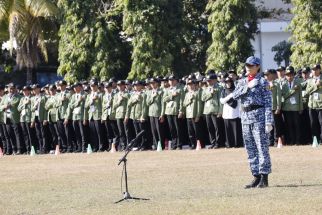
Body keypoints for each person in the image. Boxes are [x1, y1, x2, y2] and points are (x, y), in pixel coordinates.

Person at [220, 56, 273, 188]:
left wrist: (269, 121)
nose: (248, 68)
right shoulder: (242, 82)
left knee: (261, 148)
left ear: (257, 67)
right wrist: (248, 86)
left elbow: (268, 102)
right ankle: (256, 176)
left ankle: (264, 177)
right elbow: (236, 95)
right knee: (250, 149)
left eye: (251, 66)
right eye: (247, 66)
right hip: (245, 118)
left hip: (259, 117)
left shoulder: (262, 82)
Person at [281, 66, 303, 145]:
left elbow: (300, 97)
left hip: (296, 107)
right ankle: (291, 140)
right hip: (287, 108)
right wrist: (293, 90)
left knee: (297, 124)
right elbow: (284, 96)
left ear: (293, 75)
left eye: (291, 74)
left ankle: (297, 140)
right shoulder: (283, 84)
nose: (289, 76)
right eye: (287, 75)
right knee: (289, 125)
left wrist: (301, 108)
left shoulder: (298, 83)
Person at [201, 74, 223, 149]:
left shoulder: (219, 88)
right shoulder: (206, 89)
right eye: (207, 81)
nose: (208, 82)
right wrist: (210, 94)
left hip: (215, 110)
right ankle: (213, 142)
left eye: (210, 80)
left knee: (217, 127)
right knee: (210, 128)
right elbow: (203, 98)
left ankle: (218, 143)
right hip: (207, 110)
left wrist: (220, 111)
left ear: (215, 80)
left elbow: (221, 100)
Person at [163, 75, 184, 150]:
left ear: (176, 81)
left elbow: (182, 100)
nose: (171, 82)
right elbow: (164, 99)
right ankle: (174, 144)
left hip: (176, 110)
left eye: (173, 80)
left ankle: (179, 144)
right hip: (169, 111)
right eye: (170, 80)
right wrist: (172, 95)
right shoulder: (167, 90)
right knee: (172, 129)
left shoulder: (180, 89)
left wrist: (181, 110)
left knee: (178, 128)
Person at [0, 83, 22, 155]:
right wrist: (4, 107)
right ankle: (13, 149)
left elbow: (14, 103)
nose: (11, 90)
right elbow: (0, 106)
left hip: (15, 117)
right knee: (9, 134)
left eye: (12, 88)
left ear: (15, 89)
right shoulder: (5, 97)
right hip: (7, 118)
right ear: (8, 89)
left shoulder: (18, 97)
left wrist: (7, 105)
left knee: (17, 134)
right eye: (9, 88)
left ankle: (19, 149)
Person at [221, 77, 243, 148]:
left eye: (229, 82)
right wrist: (230, 96)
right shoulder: (224, 91)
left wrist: (240, 112)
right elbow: (222, 101)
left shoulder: (236, 90)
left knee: (236, 129)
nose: (228, 84)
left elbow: (239, 100)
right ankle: (229, 144)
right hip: (227, 112)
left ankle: (237, 144)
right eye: (226, 82)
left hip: (235, 112)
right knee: (228, 130)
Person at [125, 81, 147, 150]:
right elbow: (129, 104)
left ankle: (143, 145)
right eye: (135, 85)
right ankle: (139, 145)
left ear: (141, 86)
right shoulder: (132, 94)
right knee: (137, 131)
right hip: (134, 115)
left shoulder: (143, 94)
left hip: (140, 115)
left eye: (138, 85)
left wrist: (143, 115)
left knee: (142, 131)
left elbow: (144, 106)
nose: (136, 87)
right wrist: (135, 99)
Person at [264, 69, 283, 146]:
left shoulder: (276, 84)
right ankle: (269, 141)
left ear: (272, 75)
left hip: (274, 107)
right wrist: (269, 87)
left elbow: (278, 96)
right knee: (268, 124)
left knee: (276, 125)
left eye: (268, 75)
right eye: (265, 75)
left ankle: (276, 140)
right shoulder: (264, 84)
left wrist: (278, 107)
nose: (266, 76)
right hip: (266, 108)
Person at [85, 80, 104, 152]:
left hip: (98, 114)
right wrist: (91, 100)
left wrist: (102, 115)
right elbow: (86, 105)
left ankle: (101, 146)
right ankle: (95, 147)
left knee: (99, 132)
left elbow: (103, 105)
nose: (92, 87)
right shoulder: (89, 95)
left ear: (97, 86)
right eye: (91, 86)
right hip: (91, 115)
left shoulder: (100, 94)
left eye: (94, 86)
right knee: (93, 132)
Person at [146, 78, 165, 150]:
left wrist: (162, 114)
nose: (152, 85)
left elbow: (163, 104)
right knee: (153, 131)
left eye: (154, 83)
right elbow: (147, 103)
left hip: (158, 113)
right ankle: (156, 145)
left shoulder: (161, 92)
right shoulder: (149, 92)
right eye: (151, 83)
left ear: (157, 83)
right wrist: (152, 97)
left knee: (159, 130)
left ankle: (161, 145)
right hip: (151, 113)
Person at [306, 64, 322, 144]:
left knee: (321, 123)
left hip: (321, 105)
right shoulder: (309, 80)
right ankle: (315, 139)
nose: (314, 71)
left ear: (319, 70)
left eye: (316, 69)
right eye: (313, 69)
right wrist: (316, 86)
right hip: (312, 105)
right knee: (313, 123)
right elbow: (307, 91)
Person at [112, 80, 130, 151]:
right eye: (118, 85)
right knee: (121, 131)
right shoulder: (116, 95)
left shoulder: (127, 94)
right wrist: (119, 101)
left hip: (125, 114)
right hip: (118, 114)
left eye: (121, 85)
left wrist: (127, 115)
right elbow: (114, 106)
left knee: (127, 131)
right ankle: (123, 145)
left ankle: (128, 145)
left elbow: (129, 105)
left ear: (124, 86)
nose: (120, 87)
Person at [31, 84, 48, 153]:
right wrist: (35, 106)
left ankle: (45, 148)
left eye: (35, 89)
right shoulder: (33, 98)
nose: (34, 90)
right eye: (33, 89)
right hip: (36, 117)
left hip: (42, 117)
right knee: (38, 133)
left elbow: (46, 109)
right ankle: (41, 147)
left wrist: (45, 118)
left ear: (39, 89)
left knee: (43, 133)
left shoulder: (43, 97)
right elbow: (31, 109)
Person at [18, 86, 33, 153]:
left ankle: (32, 148)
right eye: (23, 90)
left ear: (29, 91)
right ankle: (27, 149)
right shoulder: (22, 99)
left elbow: (32, 109)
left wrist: (28, 103)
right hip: (22, 119)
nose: (24, 92)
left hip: (29, 118)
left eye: (25, 90)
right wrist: (24, 104)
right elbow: (18, 108)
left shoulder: (32, 98)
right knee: (25, 134)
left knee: (30, 134)